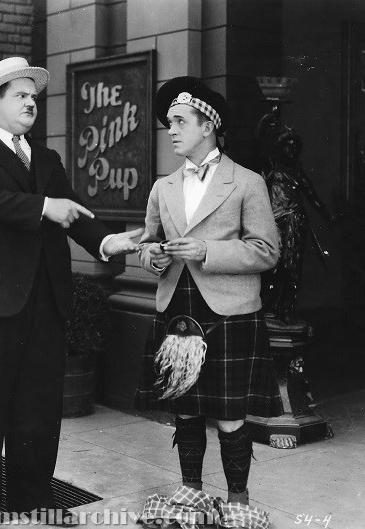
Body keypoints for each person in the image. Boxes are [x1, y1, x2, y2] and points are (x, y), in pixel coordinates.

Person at [0, 57, 143, 528]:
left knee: (37, 406)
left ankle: (34, 497)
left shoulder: (46, 158)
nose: (32, 102)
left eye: (35, 96)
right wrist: (42, 207)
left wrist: (107, 241)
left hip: (45, 298)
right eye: (21, 95)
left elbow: (74, 211)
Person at [133, 77, 283, 512]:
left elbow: (267, 250)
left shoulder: (247, 182)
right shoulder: (164, 186)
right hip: (177, 309)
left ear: (208, 126)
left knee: (231, 412)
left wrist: (205, 250)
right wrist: (152, 259)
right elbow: (147, 241)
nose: (172, 130)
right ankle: (191, 491)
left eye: (180, 122)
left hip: (229, 311)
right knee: (185, 407)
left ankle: (238, 500)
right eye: (169, 124)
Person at [260, 126, 334, 325]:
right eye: (287, 147)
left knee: (292, 266)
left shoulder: (297, 172)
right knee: (272, 265)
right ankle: (269, 305)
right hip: (274, 224)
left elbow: (313, 197)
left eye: (295, 148)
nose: (291, 152)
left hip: (295, 223)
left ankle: (286, 307)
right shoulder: (270, 169)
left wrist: (329, 218)